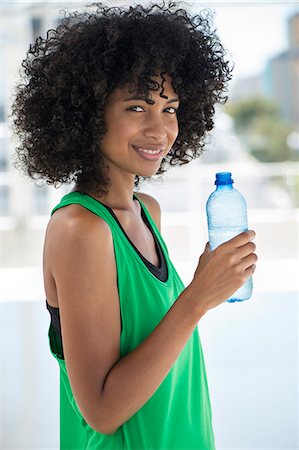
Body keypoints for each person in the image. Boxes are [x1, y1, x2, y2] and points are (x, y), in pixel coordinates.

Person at [11, 2, 258, 449]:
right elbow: (102, 411)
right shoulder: (80, 229)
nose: (159, 129)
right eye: (137, 106)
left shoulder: (148, 211)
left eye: (170, 108)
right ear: (88, 114)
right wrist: (198, 298)